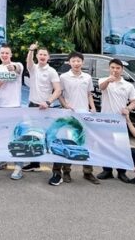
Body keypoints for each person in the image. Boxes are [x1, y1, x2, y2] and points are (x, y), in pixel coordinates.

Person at [51, 52, 100, 185]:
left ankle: (88, 172)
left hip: (84, 114)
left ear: (82, 62)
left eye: (79, 61)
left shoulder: (87, 77)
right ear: (69, 62)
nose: (76, 63)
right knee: (69, 142)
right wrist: (65, 105)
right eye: (73, 61)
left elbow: (89, 94)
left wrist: (92, 107)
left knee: (86, 143)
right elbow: (59, 93)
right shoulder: (64, 77)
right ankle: (66, 171)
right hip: (69, 114)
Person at [95, 58, 135, 183]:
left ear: (122, 70)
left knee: (121, 147)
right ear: (109, 68)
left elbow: (134, 102)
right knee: (105, 146)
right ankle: (107, 170)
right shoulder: (103, 80)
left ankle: (121, 172)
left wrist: (128, 108)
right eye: (113, 67)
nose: (115, 70)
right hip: (105, 120)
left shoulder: (128, 85)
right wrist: (109, 80)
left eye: (118, 68)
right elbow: (101, 88)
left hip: (120, 121)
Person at [22, 43, 62, 173]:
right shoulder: (33, 68)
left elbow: (58, 90)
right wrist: (31, 50)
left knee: (48, 135)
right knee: (33, 135)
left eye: (45, 54)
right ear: (37, 56)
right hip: (32, 106)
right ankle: (34, 163)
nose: (42, 56)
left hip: (46, 108)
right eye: (40, 54)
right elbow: (28, 61)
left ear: (48, 57)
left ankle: (55, 164)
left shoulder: (52, 71)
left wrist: (48, 102)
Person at [0, 44, 26, 180]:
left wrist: (12, 68)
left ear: (11, 54)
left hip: (14, 106)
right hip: (0, 106)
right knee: (2, 136)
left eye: (7, 53)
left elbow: (17, 69)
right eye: (2, 53)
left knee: (16, 137)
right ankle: (2, 160)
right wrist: (0, 82)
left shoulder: (18, 65)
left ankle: (18, 167)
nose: (4, 55)